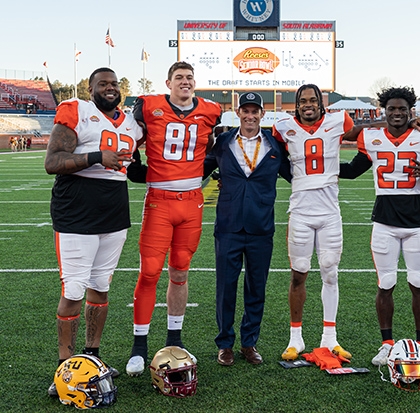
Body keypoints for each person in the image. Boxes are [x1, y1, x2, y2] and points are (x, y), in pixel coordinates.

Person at [44, 67, 143, 395]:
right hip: (77, 212)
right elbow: (53, 162)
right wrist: (98, 156)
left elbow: (138, 170)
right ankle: (65, 369)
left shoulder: (130, 123)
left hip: (114, 213)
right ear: (90, 89)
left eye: (114, 83)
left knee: (100, 287)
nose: (110, 88)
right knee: (74, 289)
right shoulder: (77, 111)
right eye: (103, 84)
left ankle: (92, 356)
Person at [338, 86, 420, 368]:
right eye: (391, 109)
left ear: (411, 111)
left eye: (402, 109)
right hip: (384, 222)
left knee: (419, 284)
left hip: (417, 223)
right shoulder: (373, 137)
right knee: (385, 284)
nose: (397, 113)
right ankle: (386, 344)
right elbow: (352, 170)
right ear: (384, 111)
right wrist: (313, 165)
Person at [126, 61, 222, 376]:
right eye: (179, 77)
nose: (185, 81)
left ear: (195, 83)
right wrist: (134, 166)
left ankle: (174, 340)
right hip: (159, 202)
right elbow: (128, 140)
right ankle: (139, 346)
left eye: (189, 77)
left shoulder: (211, 111)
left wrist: (206, 168)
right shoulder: (148, 106)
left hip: (192, 202)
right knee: (150, 272)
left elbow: (214, 148)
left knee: (180, 272)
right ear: (168, 82)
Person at [204, 92, 292, 366]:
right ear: (238, 113)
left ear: (262, 114)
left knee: (257, 288)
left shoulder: (276, 145)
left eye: (255, 111)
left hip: (261, 227)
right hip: (229, 225)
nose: (250, 116)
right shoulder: (222, 143)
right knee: (226, 287)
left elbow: (295, 175)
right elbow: (200, 170)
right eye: (246, 111)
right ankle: (225, 343)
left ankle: (249, 342)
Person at [272, 84, 358, 361]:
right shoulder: (283, 126)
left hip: (330, 213)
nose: (308, 104)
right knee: (298, 274)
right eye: (303, 101)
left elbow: (368, 133)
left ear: (322, 104)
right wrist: (297, 179)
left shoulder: (338, 120)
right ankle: (295, 338)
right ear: (296, 105)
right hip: (300, 212)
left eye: (313, 100)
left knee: (330, 273)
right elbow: (276, 158)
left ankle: (330, 337)